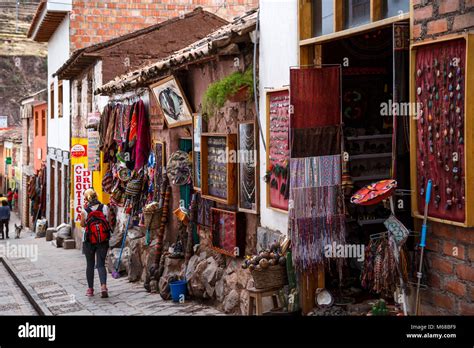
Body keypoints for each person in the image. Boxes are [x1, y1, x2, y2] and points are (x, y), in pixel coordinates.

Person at [80, 189, 111, 298]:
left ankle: (90, 289)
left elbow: (82, 224)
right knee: (101, 264)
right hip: (103, 240)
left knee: (90, 264)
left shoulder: (85, 210)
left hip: (88, 241)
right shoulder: (105, 208)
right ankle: (103, 286)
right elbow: (110, 222)